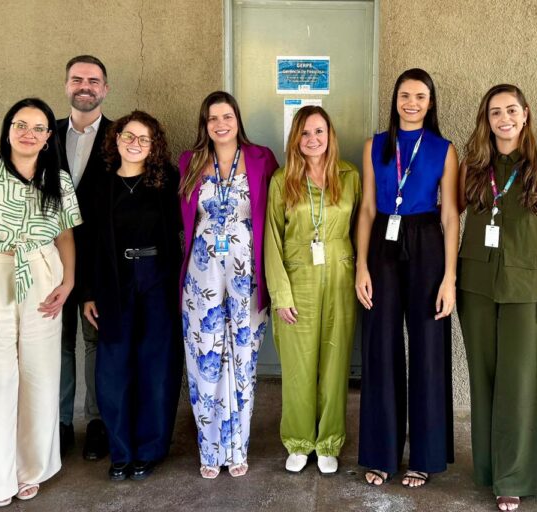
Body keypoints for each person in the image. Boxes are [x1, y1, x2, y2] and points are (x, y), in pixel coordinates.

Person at [0, 98, 81, 507]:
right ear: (8, 130)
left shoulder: (56, 178)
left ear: (47, 138)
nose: (29, 133)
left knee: (40, 377)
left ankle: (30, 468)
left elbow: (64, 237)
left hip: (42, 274)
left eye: (39, 128)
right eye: (21, 125)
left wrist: (68, 282)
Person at [457, 84, 537, 511]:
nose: (504, 118)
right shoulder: (473, 167)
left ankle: (513, 476)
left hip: (524, 288)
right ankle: (487, 468)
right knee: (482, 379)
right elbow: (450, 219)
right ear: (486, 118)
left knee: (517, 383)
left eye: (511, 110)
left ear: (525, 114)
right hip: (475, 285)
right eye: (495, 111)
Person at [356, 68, 460, 488]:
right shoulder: (375, 146)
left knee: (427, 347)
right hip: (383, 239)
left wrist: (449, 276)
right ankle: (381, 453)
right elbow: (365, 208)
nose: (411, 102)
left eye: (420, 96)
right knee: (380, 346)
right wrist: (362, 265)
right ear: (395, 99)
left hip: (427, 241)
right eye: (404, 95)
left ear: (430, 102)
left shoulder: (444, 149)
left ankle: (425, 456)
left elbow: (451, 215)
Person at [179, 91, 278, 479]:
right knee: (205, 360)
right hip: (201, 277)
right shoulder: (191, 161)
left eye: (227, 116)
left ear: (238, 119)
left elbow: (274, 214)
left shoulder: (261, 158)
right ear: (205, 124)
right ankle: (210, 449)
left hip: (246, 278)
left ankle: (237, 447)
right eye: (212, 118)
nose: (221, 124)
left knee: (241, 359)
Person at [82, 111, 184, 481]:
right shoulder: (99, 183)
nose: (136, 143)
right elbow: (87, 241)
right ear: (117, 138)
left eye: (145, 138)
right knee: (113, 367)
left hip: (157, 278)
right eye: (129, 136)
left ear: (154, 144)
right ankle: (120, 450)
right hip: (113, 280)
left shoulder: (167, 179)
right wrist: (88, 292)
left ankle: (150, 449)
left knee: (156, 365)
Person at [264, 106, 361, 475]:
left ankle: (329, 441)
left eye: (319, 131)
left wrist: (362, 272)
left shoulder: (350, 176)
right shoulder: (281, 179)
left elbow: (362, 227)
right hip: (297, 278)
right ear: (295, 139)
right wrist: (281, 293)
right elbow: (271, 238)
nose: (312, 140)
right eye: (304, 133)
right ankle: (299, 441)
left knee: (335, 365)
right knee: (299, 367)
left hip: (340, 276)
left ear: (330, 134)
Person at [56, 54, 112, 460]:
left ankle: (96, 422)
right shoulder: (46, 134)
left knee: (95, 341)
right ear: (67, 86)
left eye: (93, 81)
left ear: (105, 89)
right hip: (49, 261)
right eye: (77, 79)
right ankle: (59, 424)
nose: (85, 87)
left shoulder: (119, 136)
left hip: (97, 261)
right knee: (57, 344)